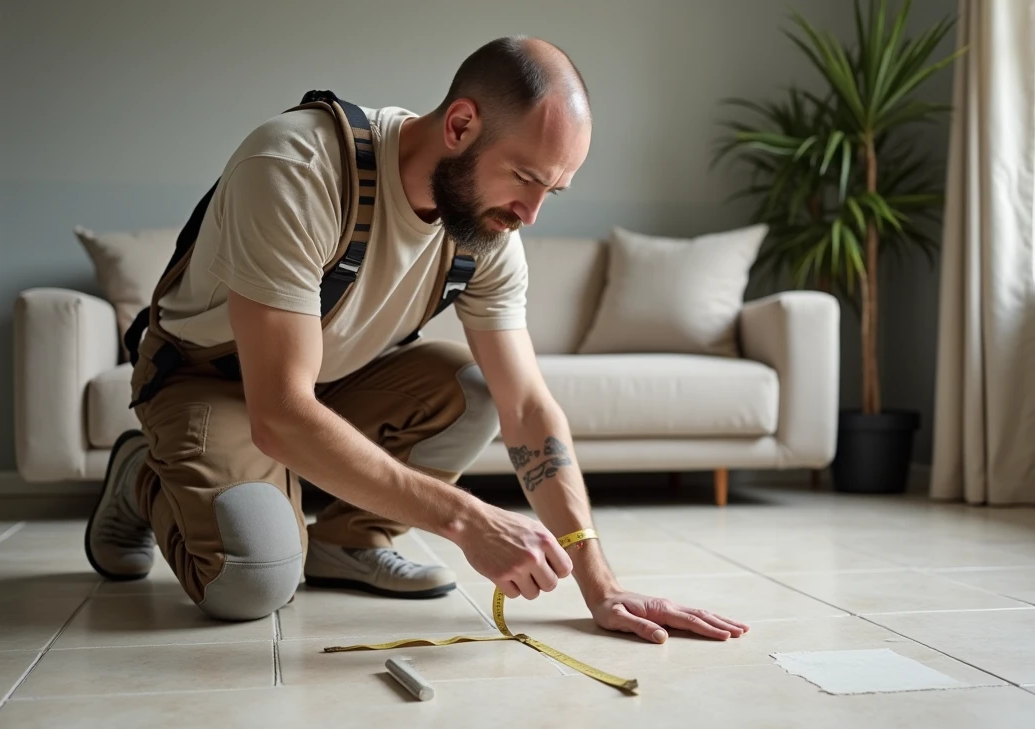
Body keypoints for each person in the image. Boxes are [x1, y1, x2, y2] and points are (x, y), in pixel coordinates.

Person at [85, 36, 748, 644]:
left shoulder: (488, 233)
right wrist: (464, 520)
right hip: (212, 384)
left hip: (327, 384)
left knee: (473, 389)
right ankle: (144, 473)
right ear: (460, 125)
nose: (531, 214)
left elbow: (527, 411)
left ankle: (347, 542)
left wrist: (598, 581)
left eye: (554, 189)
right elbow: (281, 414)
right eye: (524, 177)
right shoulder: (296, 168)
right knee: (252, 582)